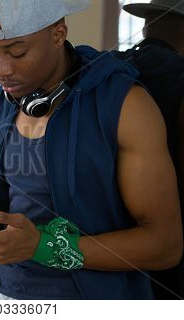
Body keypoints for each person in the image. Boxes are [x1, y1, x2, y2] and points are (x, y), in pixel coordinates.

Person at [0, 0, 182, 299]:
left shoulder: (126, 106)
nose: (1, 70)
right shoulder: (2, 104)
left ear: (58, 34)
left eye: (17, 52)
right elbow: (2, 201)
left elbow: (165, 245)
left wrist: (44, 248)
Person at [114, 0, 184, 299]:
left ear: (146, 26)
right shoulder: (179, 77)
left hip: (109, 235)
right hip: (170, 235)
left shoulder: (107, 68)